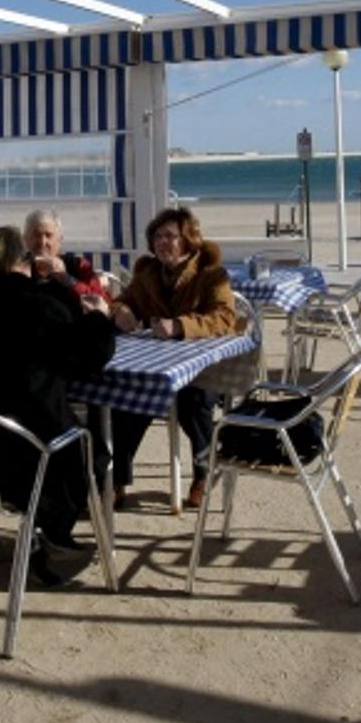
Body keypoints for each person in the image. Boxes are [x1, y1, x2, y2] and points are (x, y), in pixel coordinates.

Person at [0, 226, 115, 583]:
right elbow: (88, 358)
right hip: (34, 450)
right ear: (16, 262)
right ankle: (53, 535)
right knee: (94, 453)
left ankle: (47, 534)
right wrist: (99, 317)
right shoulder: (36, 306)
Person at [103, 207, 237, 510]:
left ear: (188, 239)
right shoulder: (148, 274)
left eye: (170, 236)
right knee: (127, 398)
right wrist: (122, 311)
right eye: (158, 237)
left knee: (194, 400)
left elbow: (224, 318)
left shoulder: (211, 273)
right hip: (158, 366)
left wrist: (179, 326)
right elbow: (124, 302)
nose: (163, 243)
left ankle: (203, 472)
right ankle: (117, 479)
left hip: (203, 366)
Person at [23, 209, 110, 300]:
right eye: (36, 235)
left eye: (48, 235)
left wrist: (66, 279)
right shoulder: (17, 266)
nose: (42, 242)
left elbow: (101, 300)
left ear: (59, 240)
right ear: (25, 239)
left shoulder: (78, 265)